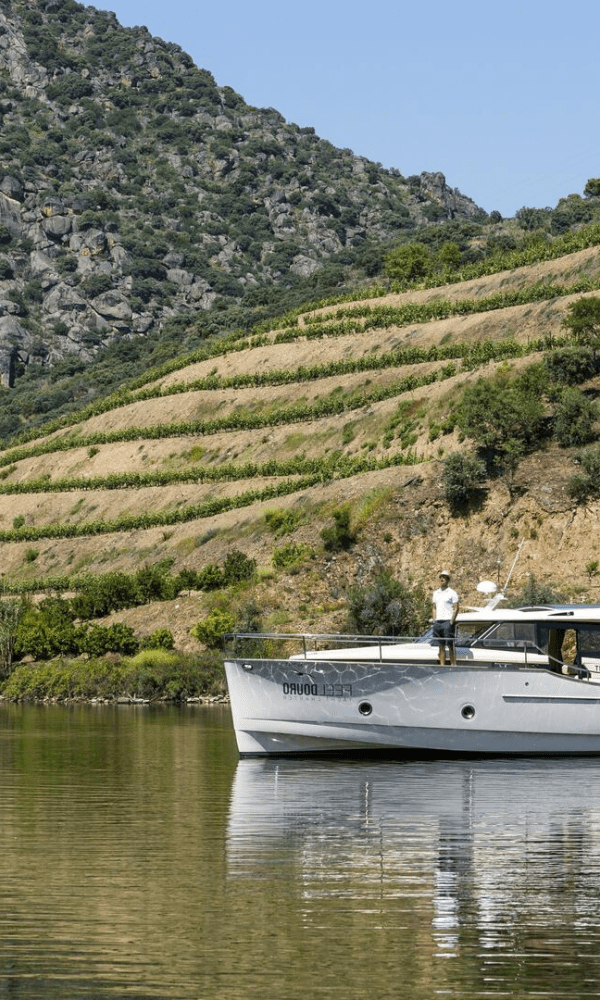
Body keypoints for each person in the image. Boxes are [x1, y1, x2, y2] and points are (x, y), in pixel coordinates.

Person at [432, 571, 460, 666]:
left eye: (444, 577)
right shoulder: (436, 593)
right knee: (441, 646)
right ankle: (442, 666)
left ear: (448, 580)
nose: (442, 579)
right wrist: (434, 620)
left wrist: (451, 621)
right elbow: (434, 607)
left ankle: (453, 665)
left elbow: (456, 608)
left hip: (447, 621)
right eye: (441, 577)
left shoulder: (452, 593)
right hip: (438, 622)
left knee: (450, 645)